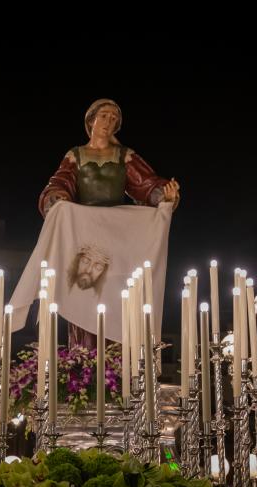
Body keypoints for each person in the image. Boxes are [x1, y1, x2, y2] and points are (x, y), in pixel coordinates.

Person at [38, 98, 180, 348]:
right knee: (84, 291)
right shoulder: (76, 155)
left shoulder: (125, 156)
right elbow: (60, 183)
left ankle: (117, 363)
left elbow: (145, 184)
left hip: (116, 233)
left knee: (115, 292)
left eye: (114, 118)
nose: (109, 121)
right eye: (104, 115)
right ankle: (83, 363)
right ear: (91, 120)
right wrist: (57, 199)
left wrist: (163, 194)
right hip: (85, 232)